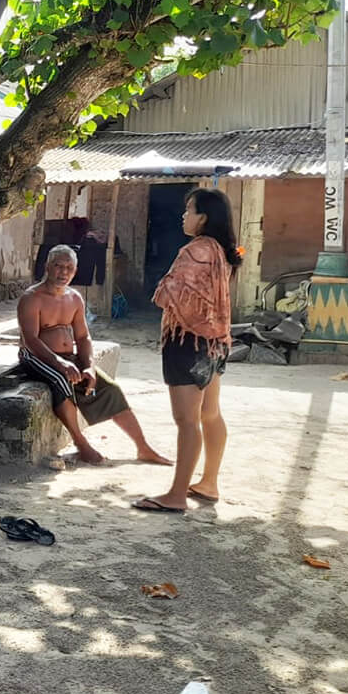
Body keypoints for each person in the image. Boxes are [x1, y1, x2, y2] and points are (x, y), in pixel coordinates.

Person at [133, 187, 241, 512]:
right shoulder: (222, 250)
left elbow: (170, 294)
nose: (184, 216)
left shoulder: (196, 250)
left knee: (186, 421)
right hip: (215, 342)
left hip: (187, 341)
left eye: (189, 210)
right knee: (210, 414)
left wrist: (165, 285)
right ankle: (208, 483)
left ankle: (177, 495)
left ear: (203, 217)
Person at [18, 245, 171, 466]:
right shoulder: (32, 298)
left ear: (75, 270)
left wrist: (88, 365)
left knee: (110, 388)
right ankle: (82, 445)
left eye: (68, 268)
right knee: (62, 381)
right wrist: (59, 362)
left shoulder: (75, 298)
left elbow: (83, 337)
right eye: (58, 266)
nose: (63, 272)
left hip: (68, 357)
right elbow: (31, 340)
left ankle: (144, 448)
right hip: (36, 357)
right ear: (47, 267)